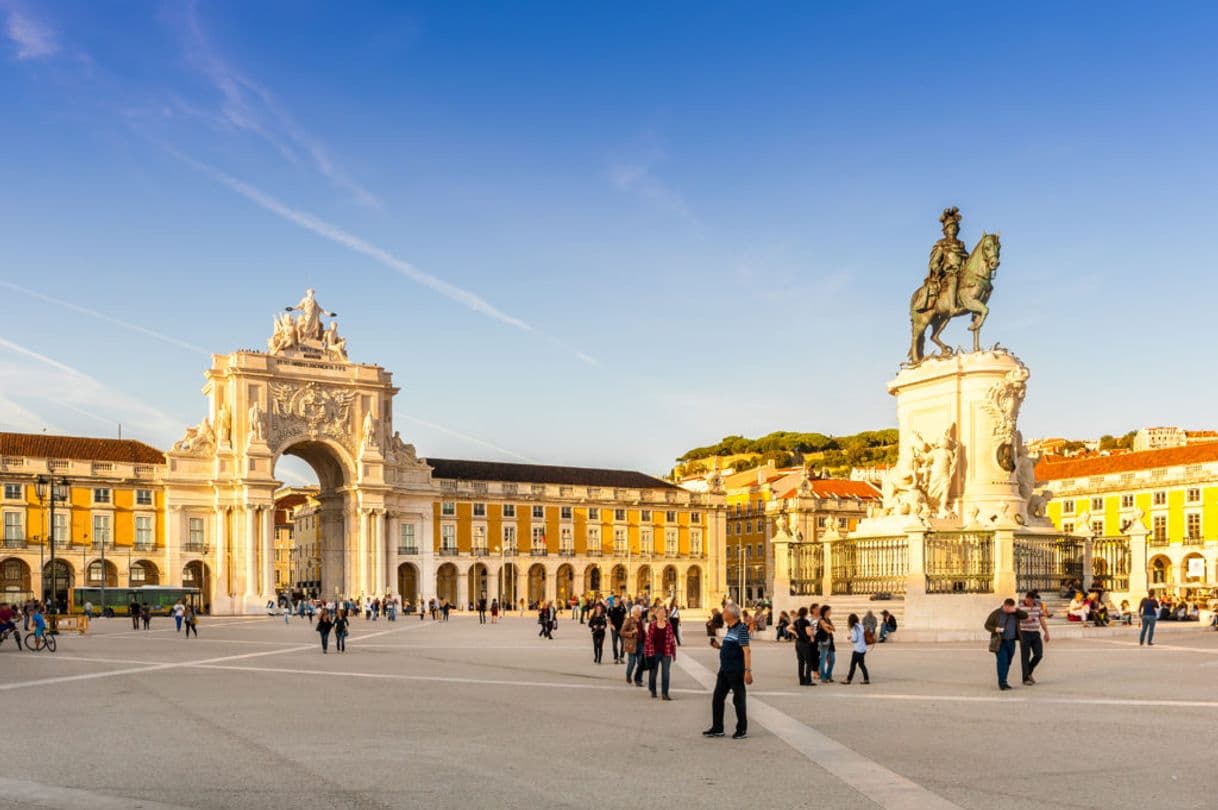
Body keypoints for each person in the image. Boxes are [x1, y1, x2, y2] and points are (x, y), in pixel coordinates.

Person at [704, 602, 751, 740]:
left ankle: (741, 729)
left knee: (739, 699)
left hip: (735, 670)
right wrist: (719, 647)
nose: (722, 614)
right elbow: (731, 647)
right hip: (724, 669)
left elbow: (747, 651)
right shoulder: (730, 628)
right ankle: (718, 728)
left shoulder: (741, 629)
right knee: (717, 698)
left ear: (731, 614)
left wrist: (747, 671)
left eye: (724, 612)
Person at [985, 598, 1029, 690]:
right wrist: (995, 629)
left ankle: (1004, 680)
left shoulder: (1015, 613)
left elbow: (1025, 616)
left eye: (1011, 608)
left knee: (1008, 662)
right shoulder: (996, 613)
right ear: (1004, 605)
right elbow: (987, 625)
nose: (1009, 609)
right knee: (1002, 662)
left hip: (1011, 641)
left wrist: (1016, 610)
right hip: (1000, 641)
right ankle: (1002, 683)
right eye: (1008, 608)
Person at [645, 608, 677, 700]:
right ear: (656, 614)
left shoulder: (668, 625)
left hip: (666, 653)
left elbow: (672, 640)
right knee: (653, 673)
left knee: (666, 674)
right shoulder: (652, 625)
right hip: (654, 653)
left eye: (663, 613)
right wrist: (648, 653)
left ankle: (665, 693)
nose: (662, 615)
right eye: (660, 613)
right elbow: (648, 640)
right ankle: (653, 690)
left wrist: (673, 653)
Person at [1018, 591, 1050, 685]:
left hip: (1035, 633)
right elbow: (1017, 619)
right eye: (1028, 600)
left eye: (1031, 601)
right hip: (1024, 633)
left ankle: (1028, 672)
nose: (1030, 602)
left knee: (1039, 655)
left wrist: (1046, 632)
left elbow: (1041, 619)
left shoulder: (1037, 606)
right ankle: (1025, 679)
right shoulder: (1020, 607)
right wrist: (1027, 619)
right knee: (1025, 656)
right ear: (1026, 598)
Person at [844, 613, 871, 685]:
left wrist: (850, 638)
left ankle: (848, 680)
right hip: (863, 648)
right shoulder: (861, 626)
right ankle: (866, 679)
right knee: (861, 664)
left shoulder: (853, 628)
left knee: (853, 665)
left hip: (857, 649)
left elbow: (855, 639)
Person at [792, 607, 815, 686]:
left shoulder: (796, 621)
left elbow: (788, 628)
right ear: (806, 613)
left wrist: (795, 633)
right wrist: (812, 635)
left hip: (798, 643)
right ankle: (808, 680)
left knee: (801, 662)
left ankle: (801, 680)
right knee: (809, 662)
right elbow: (808, 633)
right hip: (805, 643)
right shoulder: (806, 621)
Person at [623, 605, 645, 687]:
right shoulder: (628, 621)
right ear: (634, 612)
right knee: (632, 663)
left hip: (641, 644)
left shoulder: (641, 621)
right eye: (639, 611)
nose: (640, 612)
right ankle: (628, 676)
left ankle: (638, 679)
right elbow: (622, 632)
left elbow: (643, 632)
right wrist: (631, 633)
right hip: (632, 645)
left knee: (641, 663)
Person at [816, 605, 836, 683]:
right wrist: (828, 627)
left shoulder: (828, 620)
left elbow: (834, 629)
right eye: (830, 610)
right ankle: (823, 677)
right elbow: (828, 631)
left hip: (830, 642)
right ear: (826, 611)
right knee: (823, 660)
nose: (831, 612)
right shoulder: (821, 619)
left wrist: (828, 626)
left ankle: (828, 675)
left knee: (832, 660)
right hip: (823, 642)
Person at [607, 599, 626, 663]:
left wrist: (624, 625)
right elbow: (609, 619)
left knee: (623, 644)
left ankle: (622, 657)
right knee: (614, 644)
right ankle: (616, 657)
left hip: (622, 629)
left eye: (617, 600)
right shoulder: (610, 609)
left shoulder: (622, 608)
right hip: (614, 629)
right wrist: (611, 625)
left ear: (619, 601)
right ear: (613, 601)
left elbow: (625, 617)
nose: (616, 601)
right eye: (615, 600)